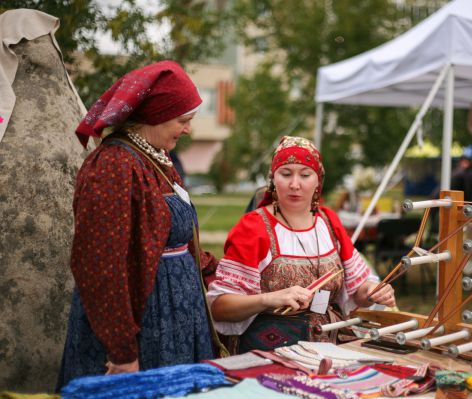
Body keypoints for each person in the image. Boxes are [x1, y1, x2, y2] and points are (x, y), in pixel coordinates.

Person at [57, 61, 221, 389]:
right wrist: (121, 350)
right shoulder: (114, 166)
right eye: (182, 120)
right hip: (143, 328)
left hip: (175, 322)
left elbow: (173, 238)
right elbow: (100, 264)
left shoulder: (158, 160)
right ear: (155, 114)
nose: (187, 129)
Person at [207, 136, 396, 353]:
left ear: (318, 181)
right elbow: (220, 308)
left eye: (305, 175)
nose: (294, 184)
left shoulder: (329, 222)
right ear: (273, 179)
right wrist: (269, 299)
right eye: (286, 174)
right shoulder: (254, 227)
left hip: (331, 345)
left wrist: (372, 292)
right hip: (271, 352)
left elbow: (358, 290)